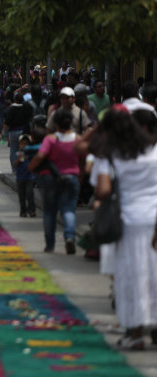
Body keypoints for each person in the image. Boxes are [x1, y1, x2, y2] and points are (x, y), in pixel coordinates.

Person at [89, 109, 157, 350]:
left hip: (128, 223)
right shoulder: (153, 151)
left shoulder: (111, 155)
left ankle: (135, 332)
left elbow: (103, 190)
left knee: (132, 277)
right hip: (154, 220)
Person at [28, 108, 80, 254]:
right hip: (72, 177)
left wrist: (31, 167)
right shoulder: (77, 139)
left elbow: (40, 156)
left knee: (50, 212)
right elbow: (83, 158)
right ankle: (70, 237)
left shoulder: (51, 139)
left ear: (56, 124)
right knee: (68, 210)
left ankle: (50, 244)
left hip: (51, 178)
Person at [3, 92, 32, 171]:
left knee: (13, 150)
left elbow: (7, 121)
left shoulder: (11, 108)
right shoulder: (25, 107)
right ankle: (21, 166)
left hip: (13, 132)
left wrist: (3, 130)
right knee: (22, 150)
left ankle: (14, 169)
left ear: (15, 99)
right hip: (23, 131)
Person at [13, 134, 35, 218]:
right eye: (22, 143)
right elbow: (14, 165)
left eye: (26, 143)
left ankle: (32, 210)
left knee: (30, 194)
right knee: (22, 196)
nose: (24, 145)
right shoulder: (18, 153)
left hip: (30, 177)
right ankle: (23, 211)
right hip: (20, 178)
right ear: (19, 145)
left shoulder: (32, 154)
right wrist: (18, 159)